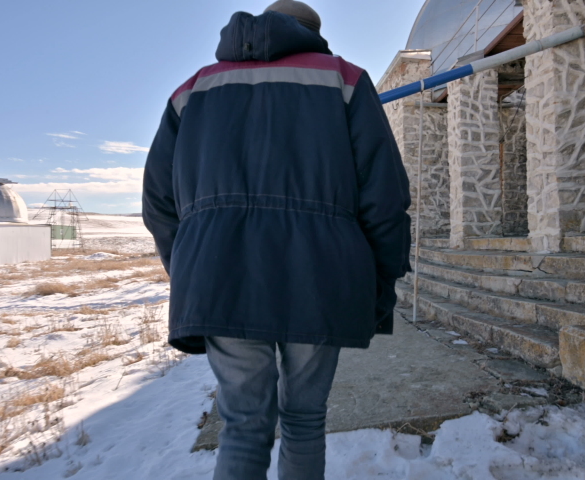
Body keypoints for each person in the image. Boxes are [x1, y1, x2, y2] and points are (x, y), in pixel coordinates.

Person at [142, 1, 411, 478]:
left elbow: (159, 202)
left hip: (219, 275)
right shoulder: (344, 79)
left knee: (243, 426)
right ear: (315, 34)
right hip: (322, 275)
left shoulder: (193, 88)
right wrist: (381, 279)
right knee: (305, 420)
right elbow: (384, 196)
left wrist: (190, 266)